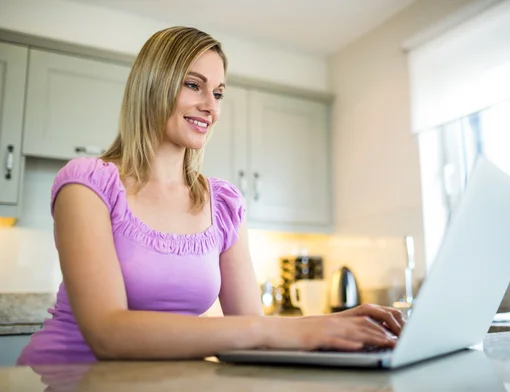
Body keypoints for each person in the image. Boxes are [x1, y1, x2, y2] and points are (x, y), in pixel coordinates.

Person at [16, 26, 404, 366]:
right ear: (153, 84)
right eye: (193, 85)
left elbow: (254, 323)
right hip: (61, 381)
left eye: (218, 92)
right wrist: (282, 331)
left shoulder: (222, 204)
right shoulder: (88, 185)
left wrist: (337, 323)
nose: (211, 107)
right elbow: (108, 333)